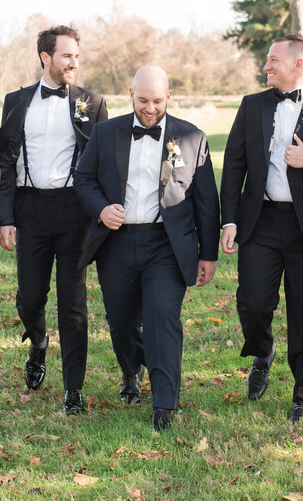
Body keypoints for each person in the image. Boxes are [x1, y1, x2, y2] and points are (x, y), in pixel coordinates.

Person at [74, 66, 220, 431]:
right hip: (117, 242)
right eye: (143, 101)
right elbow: (83, 178)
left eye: (157, 101)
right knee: (121, 322)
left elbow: (206, 201)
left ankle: (164, 404)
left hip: (167, 245)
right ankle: (130, 371)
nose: (150, 109)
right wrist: (101, 209)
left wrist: (209, 253)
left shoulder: (190, 136)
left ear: (168, 97)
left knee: (161, 318)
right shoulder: (106, 133)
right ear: (130, 94)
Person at [219, 36, 303, 421]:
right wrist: (229, 220)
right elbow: (234, 166)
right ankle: (262, 350)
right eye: (267, 60)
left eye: (273, 60)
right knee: (253, 302)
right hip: (260, 221)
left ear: (298, 64)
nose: (266, 66)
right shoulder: (252, 106)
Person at [0, 25, 107, 415]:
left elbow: (102, 163)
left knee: (73, 304)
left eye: (77, 55)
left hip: (75, 213)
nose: (74, 62)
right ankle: (38, 342)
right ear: (46, 58)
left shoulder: (92, 102)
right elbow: (4, 161)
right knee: (29, 299)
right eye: (66, 56)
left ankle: (73, 388)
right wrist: (4, 217)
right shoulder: (17, 101)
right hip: (30, 211)